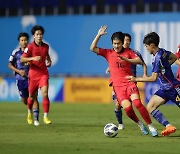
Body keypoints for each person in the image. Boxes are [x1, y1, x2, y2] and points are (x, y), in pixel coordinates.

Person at [90, 25, 158, 137]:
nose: (116, 46)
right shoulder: (108, 53)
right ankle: (140, 124)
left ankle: (151, 126)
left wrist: (126, 59)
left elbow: (139, 60)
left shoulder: (128, 52)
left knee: (137, 103)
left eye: (118, 43)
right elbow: (92, 48)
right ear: (112, 43)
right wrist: (99, 35)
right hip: (118, 87)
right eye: (114, 44)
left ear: (123, 43)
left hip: (129, 82)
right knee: (128, 109)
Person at [127, 32, 178, 136]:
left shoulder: (157, 59)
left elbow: (153, 78)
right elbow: (174, 57)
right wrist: (165, 68)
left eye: (146, 46)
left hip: (174, 88)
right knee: (150, 106)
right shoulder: (163, 51)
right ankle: (168, 126)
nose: (146, 48)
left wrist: (136, 79)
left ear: (152, 45)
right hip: (164, 89)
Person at [106, 33, 148, 130]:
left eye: (128, 40)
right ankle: (120, 123)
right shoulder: (116, 52)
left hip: (130, 81)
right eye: (125, 40)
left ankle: (142, 123)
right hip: (117, 82)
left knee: (132, 103)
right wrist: (110, 68)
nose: (127, 42)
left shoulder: (134, 52)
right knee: (117, 104)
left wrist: (145, 74)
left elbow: (143, 63)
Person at [20, 25, 52, 125]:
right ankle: (29, 112)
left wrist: (49, 61)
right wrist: (33, 58)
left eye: (41, 34)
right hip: (33, 74)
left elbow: (46, 55)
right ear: (33, 36)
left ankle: (46, 116)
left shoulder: (46, 46)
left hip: (43, 73)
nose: (39, 36)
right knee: (31, 97)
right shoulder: (29, 47)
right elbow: (22, 59)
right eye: (37, 34)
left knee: (45, 94)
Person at [8, 32, 40, 126]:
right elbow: (9, 65)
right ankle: (29, 111)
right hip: (20, 79)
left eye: (25, 40)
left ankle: (36, 120)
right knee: (25, 100)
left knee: (34, 98)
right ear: (19, 42)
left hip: (32, 78)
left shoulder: (32, 51)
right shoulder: (16, 52)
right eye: (22, 40)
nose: (24, 42)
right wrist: (18, 71)